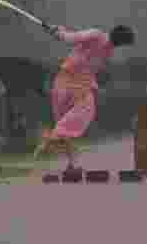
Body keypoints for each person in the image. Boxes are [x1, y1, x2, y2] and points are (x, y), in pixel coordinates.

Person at [35, 24, 136, 167]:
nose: (118, 45)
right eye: (120, 42)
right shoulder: (96, 35)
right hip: (65, 79)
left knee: (78, 116)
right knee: (65, 122)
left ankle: (60, 148)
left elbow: (90, 68)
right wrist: (59, 33)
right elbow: (73, 38)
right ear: (116, 36)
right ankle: (61, 148)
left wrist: (93, 86)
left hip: (81, 83)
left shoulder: (108, 51)